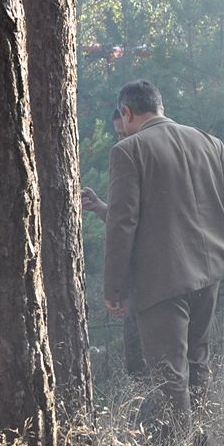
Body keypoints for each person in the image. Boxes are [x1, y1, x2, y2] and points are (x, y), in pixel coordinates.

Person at [103, 80, 224, 446]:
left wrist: (114, 288)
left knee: (169, 376)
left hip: (159, 282)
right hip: (208, 277)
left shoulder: (129, 150)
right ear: (160, 106)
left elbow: (122, 224)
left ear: (127, 112)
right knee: (197, 366)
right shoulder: (209, 143)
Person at [81, 109, 147, 379]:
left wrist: (114, 289)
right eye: (117, 135)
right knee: (137, 365)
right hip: (139, 283)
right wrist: (98, 207)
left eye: (125, 133)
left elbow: (128, 226)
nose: (121, 140)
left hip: (151, 283)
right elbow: (127, 219)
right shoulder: (131, 158)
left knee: (153, 366)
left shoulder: (145, 160)